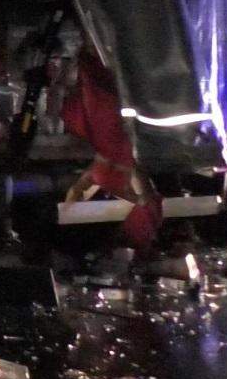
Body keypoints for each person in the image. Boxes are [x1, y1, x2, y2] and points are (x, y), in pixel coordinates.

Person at [62, 44, 163, 252]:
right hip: (114, 138)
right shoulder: (141, 221)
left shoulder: (134, 222)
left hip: (110, 137)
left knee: (98, 74)